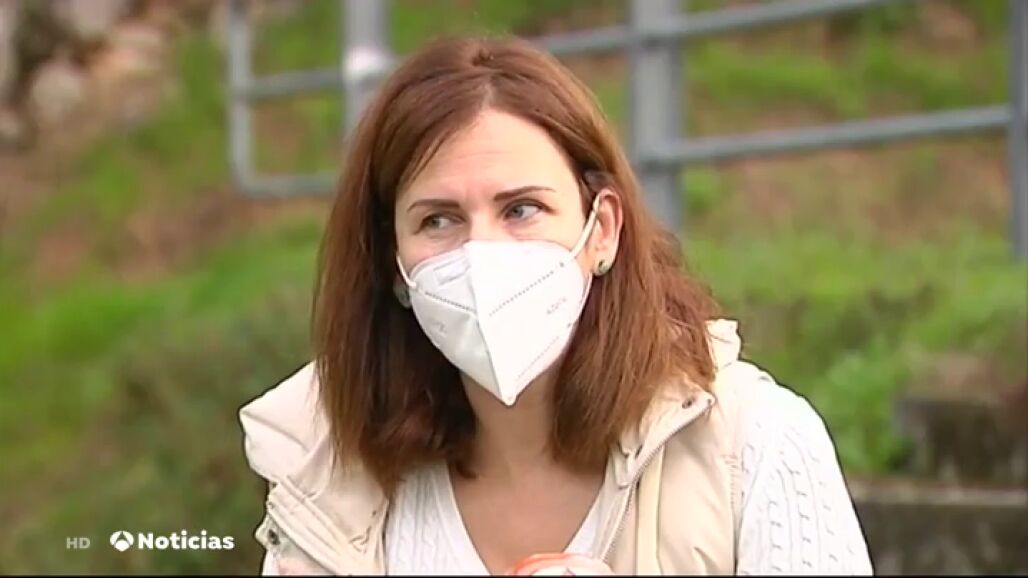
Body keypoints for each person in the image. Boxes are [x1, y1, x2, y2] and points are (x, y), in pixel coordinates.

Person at [238, 35, 873, 576]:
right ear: (393, 263)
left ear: (602, 231)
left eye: (522, 209)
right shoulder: (325, 473)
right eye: (439, 220)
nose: (482, 254)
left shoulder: (752, 447)